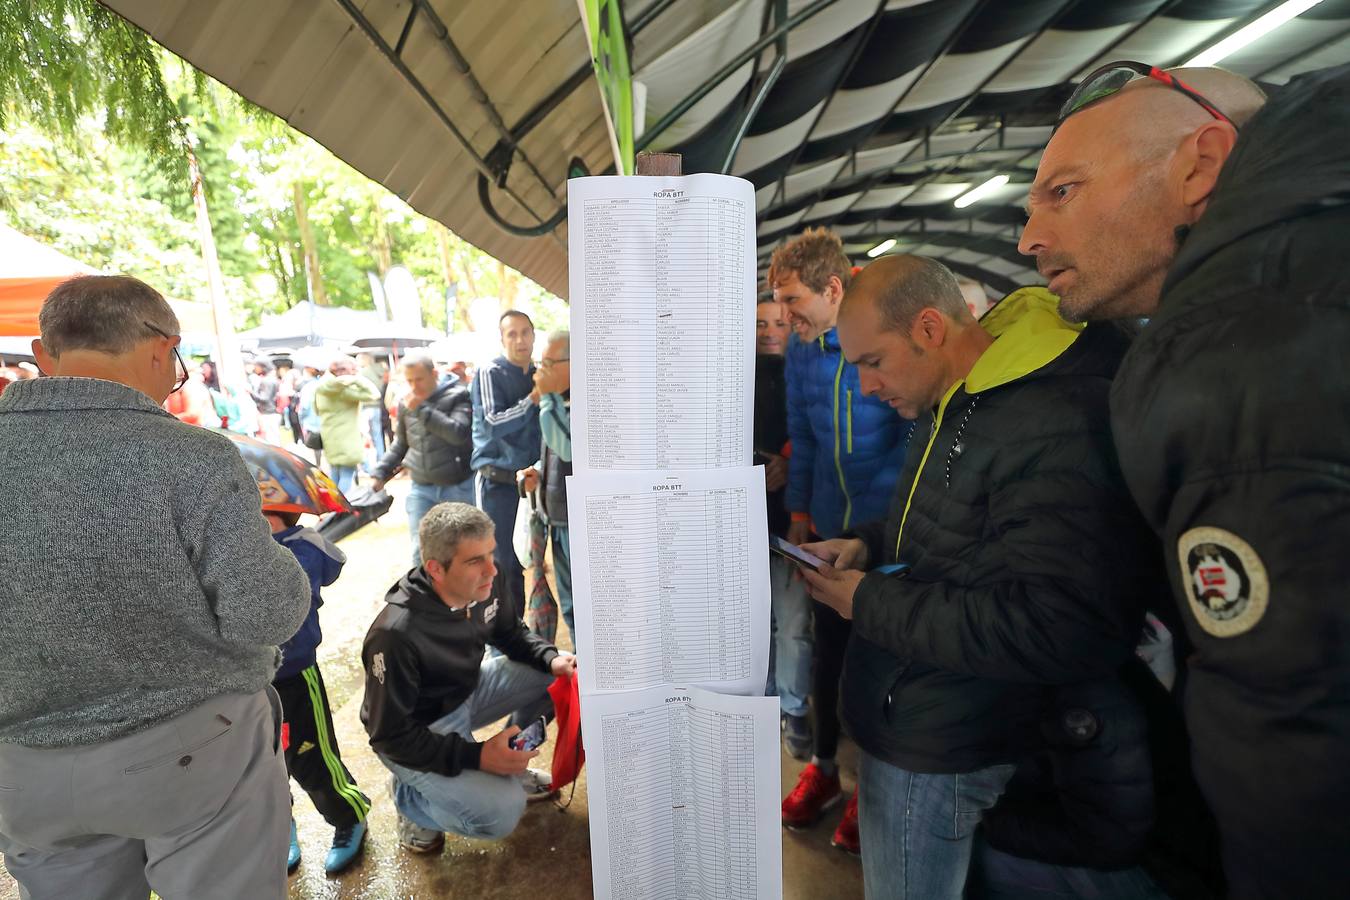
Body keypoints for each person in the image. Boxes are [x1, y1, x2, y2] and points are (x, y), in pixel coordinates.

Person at [1020, 61, 1350, 898]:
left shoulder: (1237, 350)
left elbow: (1296, 728)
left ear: (1202, 165)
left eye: (1062, 191)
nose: (1027, 238)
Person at [801, 256, 1158, 900]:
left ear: (930, 328)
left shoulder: (1049, 419)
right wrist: (865, 544)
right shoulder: (962, 398)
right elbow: (945, 526)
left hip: (949, 742)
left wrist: (871, 602)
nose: (865, 388)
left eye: (873, 362)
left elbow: (1060, 626)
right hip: (924, 715)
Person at [0, 274, 311, 899]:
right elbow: (264, 614)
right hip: (190, 749)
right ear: (161, 350)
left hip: (22, 767)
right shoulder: (192, 456)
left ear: (43, 352)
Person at [770, 227, 910, 852]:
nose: (785, 315)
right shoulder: (803, 349)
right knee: (829, 655)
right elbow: (803, 431)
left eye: (794, 300)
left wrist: (871, 526)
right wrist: (801, 512)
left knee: (881, 666)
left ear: (834, 288)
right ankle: (825, 769)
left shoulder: (885, 331)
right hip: (826, 523)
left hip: (888, 533)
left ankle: (869, 793)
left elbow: (909, 438)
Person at [360, 502, 577, 853]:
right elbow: (390, 736)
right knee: (502, 813)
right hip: (416, 732)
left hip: (469, 692)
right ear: (436, 568)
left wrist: (551, 659)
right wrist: (476, 757)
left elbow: (511, 634)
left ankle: (512, 760)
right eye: (475, 560)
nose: (492, 569)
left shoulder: (488, 582)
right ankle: (409, 799)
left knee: (556, 674)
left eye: (491, 553)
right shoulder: (395, 635)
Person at [264, 510, 370, 876]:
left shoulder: (302, 544)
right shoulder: (229, 544)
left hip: (294, 675)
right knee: (264, 767)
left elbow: (332, 563)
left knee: (314, 758)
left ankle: (349, 816)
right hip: (248, 684)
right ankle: (281, 830)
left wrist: (275, 543)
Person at [755, 299, 811, 760]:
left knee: (793, 626)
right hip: (745, 526)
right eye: (760, 323)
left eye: (780, 322)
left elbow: (818, 436)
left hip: (794, 523)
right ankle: (766, 703)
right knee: (757, 624)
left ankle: (794, 708)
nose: (770, 331)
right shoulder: (730, 381)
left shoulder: (809, 373)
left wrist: (789, 466)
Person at [470, 310, 542, 622]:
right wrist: (533, 400)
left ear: (533, 336)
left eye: (525, 332)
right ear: (502, 339)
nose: (520, 339)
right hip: (497, 481)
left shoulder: (539, 373)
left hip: (534, 482)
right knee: (501, 563)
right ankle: (503, 633)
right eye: (512, 334)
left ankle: (524, 631)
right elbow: (490, 424)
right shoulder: (490, 372)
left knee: (532, 559)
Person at [371, 353, 475, 565]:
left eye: (419, 379)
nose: (414, 386)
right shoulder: (405, 403)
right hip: (421, 487)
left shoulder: (459, 395)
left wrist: (421, 409)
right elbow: (401, 444)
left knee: (460, 551)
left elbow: (458, 434)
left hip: (456, 485)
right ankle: (423, 596)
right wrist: (380, 472)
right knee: (421, 551)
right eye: (409, 381)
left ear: (434, 374)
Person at [518, 331, 573, 636]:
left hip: (579, 521)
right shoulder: (560, 401)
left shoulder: (587, 403)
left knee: (582, 601)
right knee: (569, 603)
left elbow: (569, 449)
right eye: (542, 362)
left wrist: (548, 397)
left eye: (550, 363)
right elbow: (555, 453)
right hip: (557, 516)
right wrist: (538, 472)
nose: (541, 371)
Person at [315, 356, 380, 496]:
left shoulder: (320, 387)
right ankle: (343, 506)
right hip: (348, 438)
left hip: (329, 436)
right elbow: (374, 394)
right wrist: (356, 379)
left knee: (335, 474)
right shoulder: (344, 393)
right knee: (347, 474)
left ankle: (334, 506)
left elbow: (315, 410)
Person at [356, 352, 387, 470]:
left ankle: (367, 466)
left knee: (365, 435)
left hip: (365, 406)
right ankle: (382, 460)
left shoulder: (363, 373)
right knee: (377, 434)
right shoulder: (379, 371)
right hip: (377, 406)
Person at [249, 359, 283, 443]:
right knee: (274, 439)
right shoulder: (272, 379)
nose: (255, 368)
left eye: (256, 366)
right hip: (272, 412)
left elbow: (264, 398)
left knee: (271, 440)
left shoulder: (266, 381)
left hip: (268, 413)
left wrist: (251, 392)